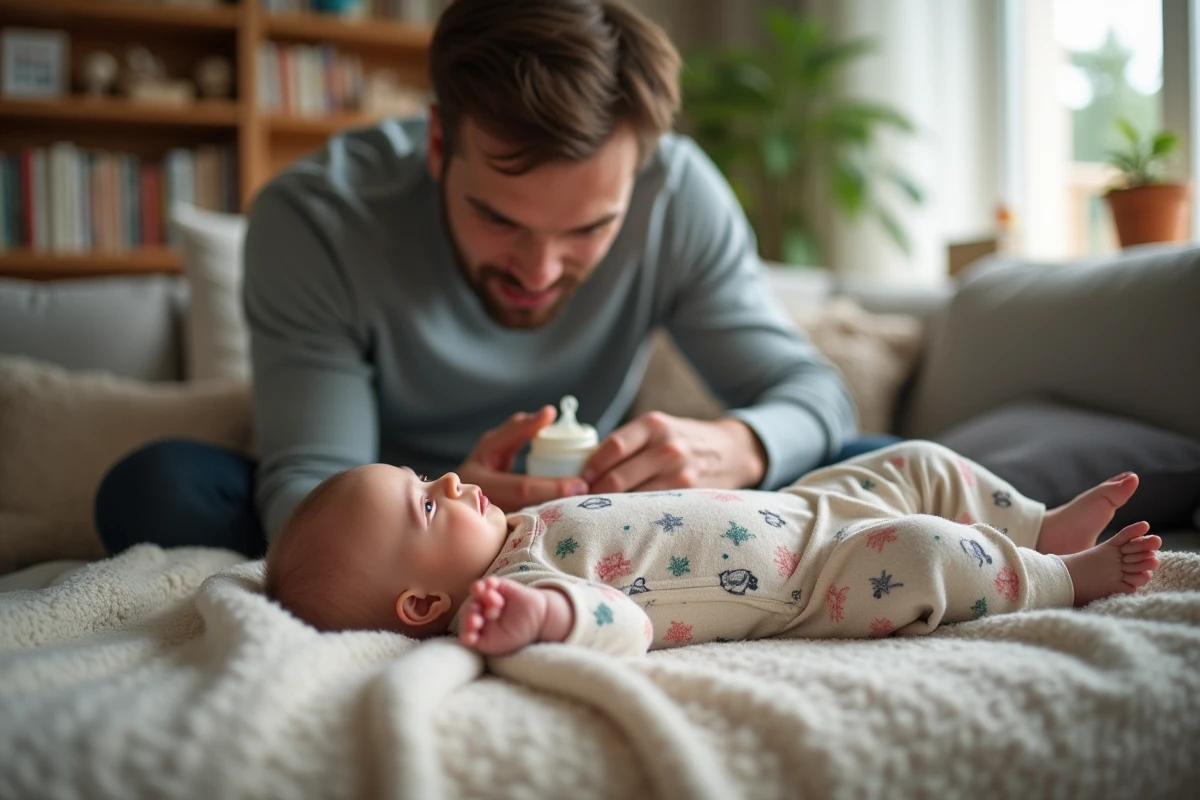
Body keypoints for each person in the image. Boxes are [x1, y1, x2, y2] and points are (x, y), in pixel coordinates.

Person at [96, 0, 873, 560]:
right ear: (439, 143)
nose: (539, 273)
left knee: (883, 457)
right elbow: (317, 486)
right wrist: (446, 507)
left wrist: (737, 447)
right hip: (402, 507)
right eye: (500, 219)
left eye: (589, 229)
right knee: (161, 487)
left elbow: (816, 397)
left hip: (588, 499)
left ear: (639, 173)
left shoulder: (677, 194)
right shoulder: (316, 216)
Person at [264, 441, 1162, 655]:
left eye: (428, 477)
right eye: (428, 507)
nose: (453, 484)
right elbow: (618, 625)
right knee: (928, 548)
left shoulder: (517, 525)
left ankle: (1036, 522)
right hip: (818, 575)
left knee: (917, 462)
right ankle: (1058, 575)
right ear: (423, 604)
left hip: (799, 504)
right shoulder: (516, 578)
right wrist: (545, 616)